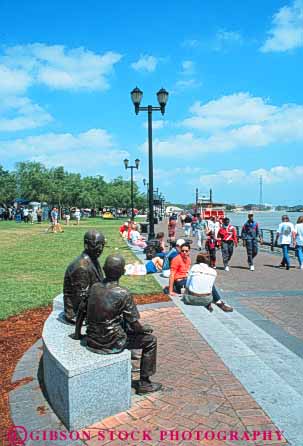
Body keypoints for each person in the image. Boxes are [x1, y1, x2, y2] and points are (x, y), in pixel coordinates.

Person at [75, 254, 162, 395]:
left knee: (121, 323)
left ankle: (134, 363)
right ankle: (145, 383)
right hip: (111, 343)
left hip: (92, 339)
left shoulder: (94, 287)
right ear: (122, 272)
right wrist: (143, 329)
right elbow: (134, 325)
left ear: (104, 269)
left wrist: (77, 333)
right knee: (150, 341)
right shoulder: (123, 293)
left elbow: (81, 311)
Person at [63, 229, 105, 323]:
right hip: (79, 315)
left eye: (102, 244)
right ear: (86, 244)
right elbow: (81, 299)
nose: (100, 248)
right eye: (96, 244)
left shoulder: (92, 259)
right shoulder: (81, 268)